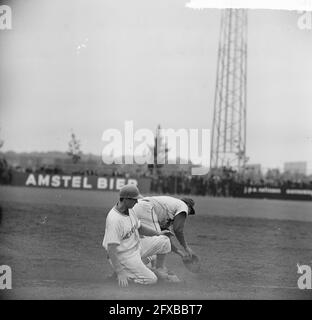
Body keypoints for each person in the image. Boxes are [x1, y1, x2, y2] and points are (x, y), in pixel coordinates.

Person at [102, 184, 175, 287]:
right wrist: (120, 272)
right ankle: (122, 276)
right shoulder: (114, 219)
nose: (137, 202)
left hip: (137, 247)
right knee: (151, 279)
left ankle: (159, 269)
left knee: (164, 240)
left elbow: (139, 227)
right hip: (124, 256)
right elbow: (111, 249)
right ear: (126, 199)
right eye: (134, 199)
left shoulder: (130, 210)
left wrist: (158, 233)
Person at [133, 196, 196, 265]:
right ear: (188, 206)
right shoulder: (183, 206)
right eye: (190, 211)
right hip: (146, 208)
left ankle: (140, 264)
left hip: (136, 206)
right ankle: (155, 268)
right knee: (157, 242)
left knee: (146, 241)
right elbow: (178, 229)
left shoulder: (166, 213)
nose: (188, 214)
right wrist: (186, 247)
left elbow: (166, 238)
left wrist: (181, 253)